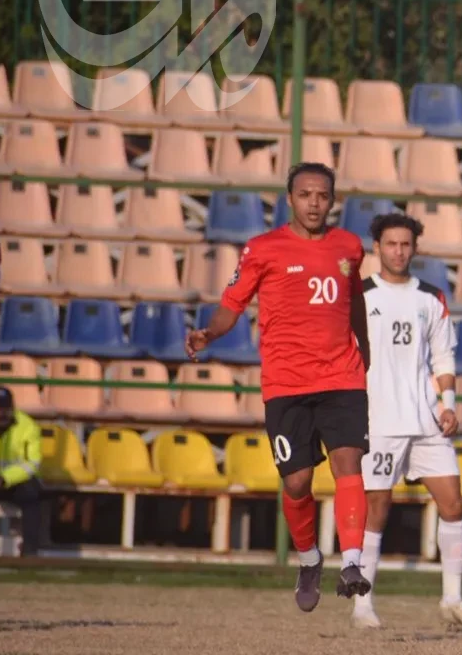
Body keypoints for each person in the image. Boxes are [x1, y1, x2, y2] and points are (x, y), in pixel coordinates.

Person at [186, 163, 372, 611]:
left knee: (348, 461)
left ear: (332, 200)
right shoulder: (262, 249)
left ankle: (352, 563)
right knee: (297, 481)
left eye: (322, 195)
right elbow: (232, 304)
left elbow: (354, 301)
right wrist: (210, 333)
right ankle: (309, 559)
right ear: (290, 199)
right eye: (305, 195)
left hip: (341, 375)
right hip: (287, 382)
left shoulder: (349, 246)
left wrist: (364, 350)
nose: (314, 203)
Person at [350, 213, 462, 631]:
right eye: (391, 244)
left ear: (415, 248)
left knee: (453, 504)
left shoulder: (431, 297)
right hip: (379, 419)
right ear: (377, 248)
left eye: (405, 244)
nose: (398, 251)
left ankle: (452, 598)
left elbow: (444, 358)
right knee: (377, 509)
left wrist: (448, 405)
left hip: (426, 419)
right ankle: (362, 604)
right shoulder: (360, 296)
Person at [0, 388, 44, 557]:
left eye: (6, 408)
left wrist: (4, 479)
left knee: (33, 494)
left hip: (14, 483)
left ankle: (30, 553)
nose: (2, 413)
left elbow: (33, 463)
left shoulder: (28, 426)